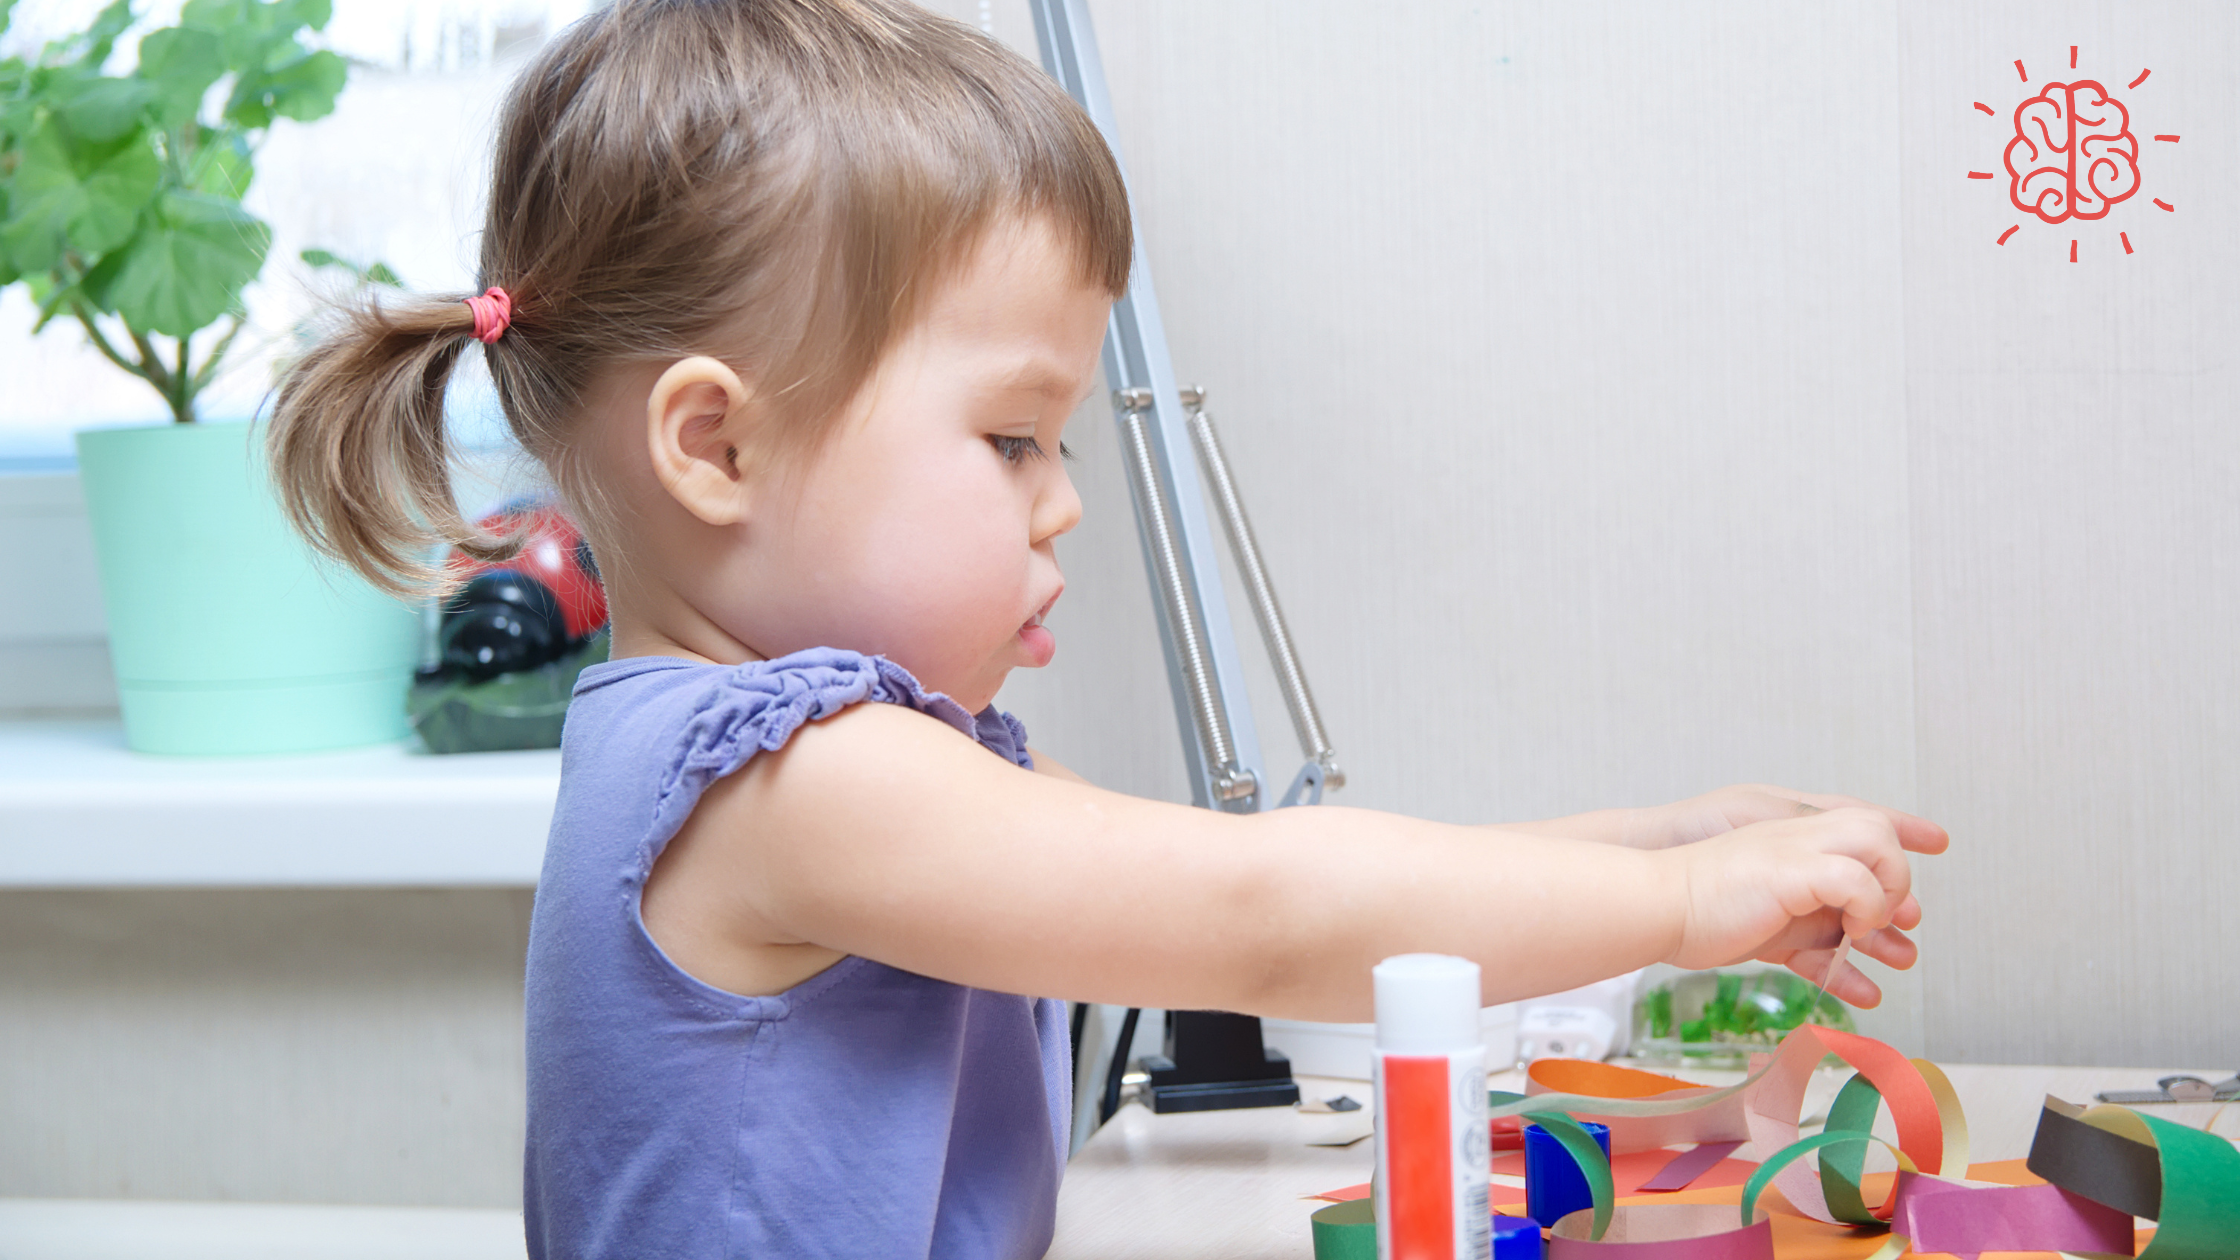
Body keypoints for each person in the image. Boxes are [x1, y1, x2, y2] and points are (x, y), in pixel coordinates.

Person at [263, 1, 1948, 1256]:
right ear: (716, 445)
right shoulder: (788, 784)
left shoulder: (838, 762)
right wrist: (1665, 906)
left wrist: (1658, 835)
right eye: (1010, 437)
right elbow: (1260, 911)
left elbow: (1239, 883)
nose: (1062, 498)